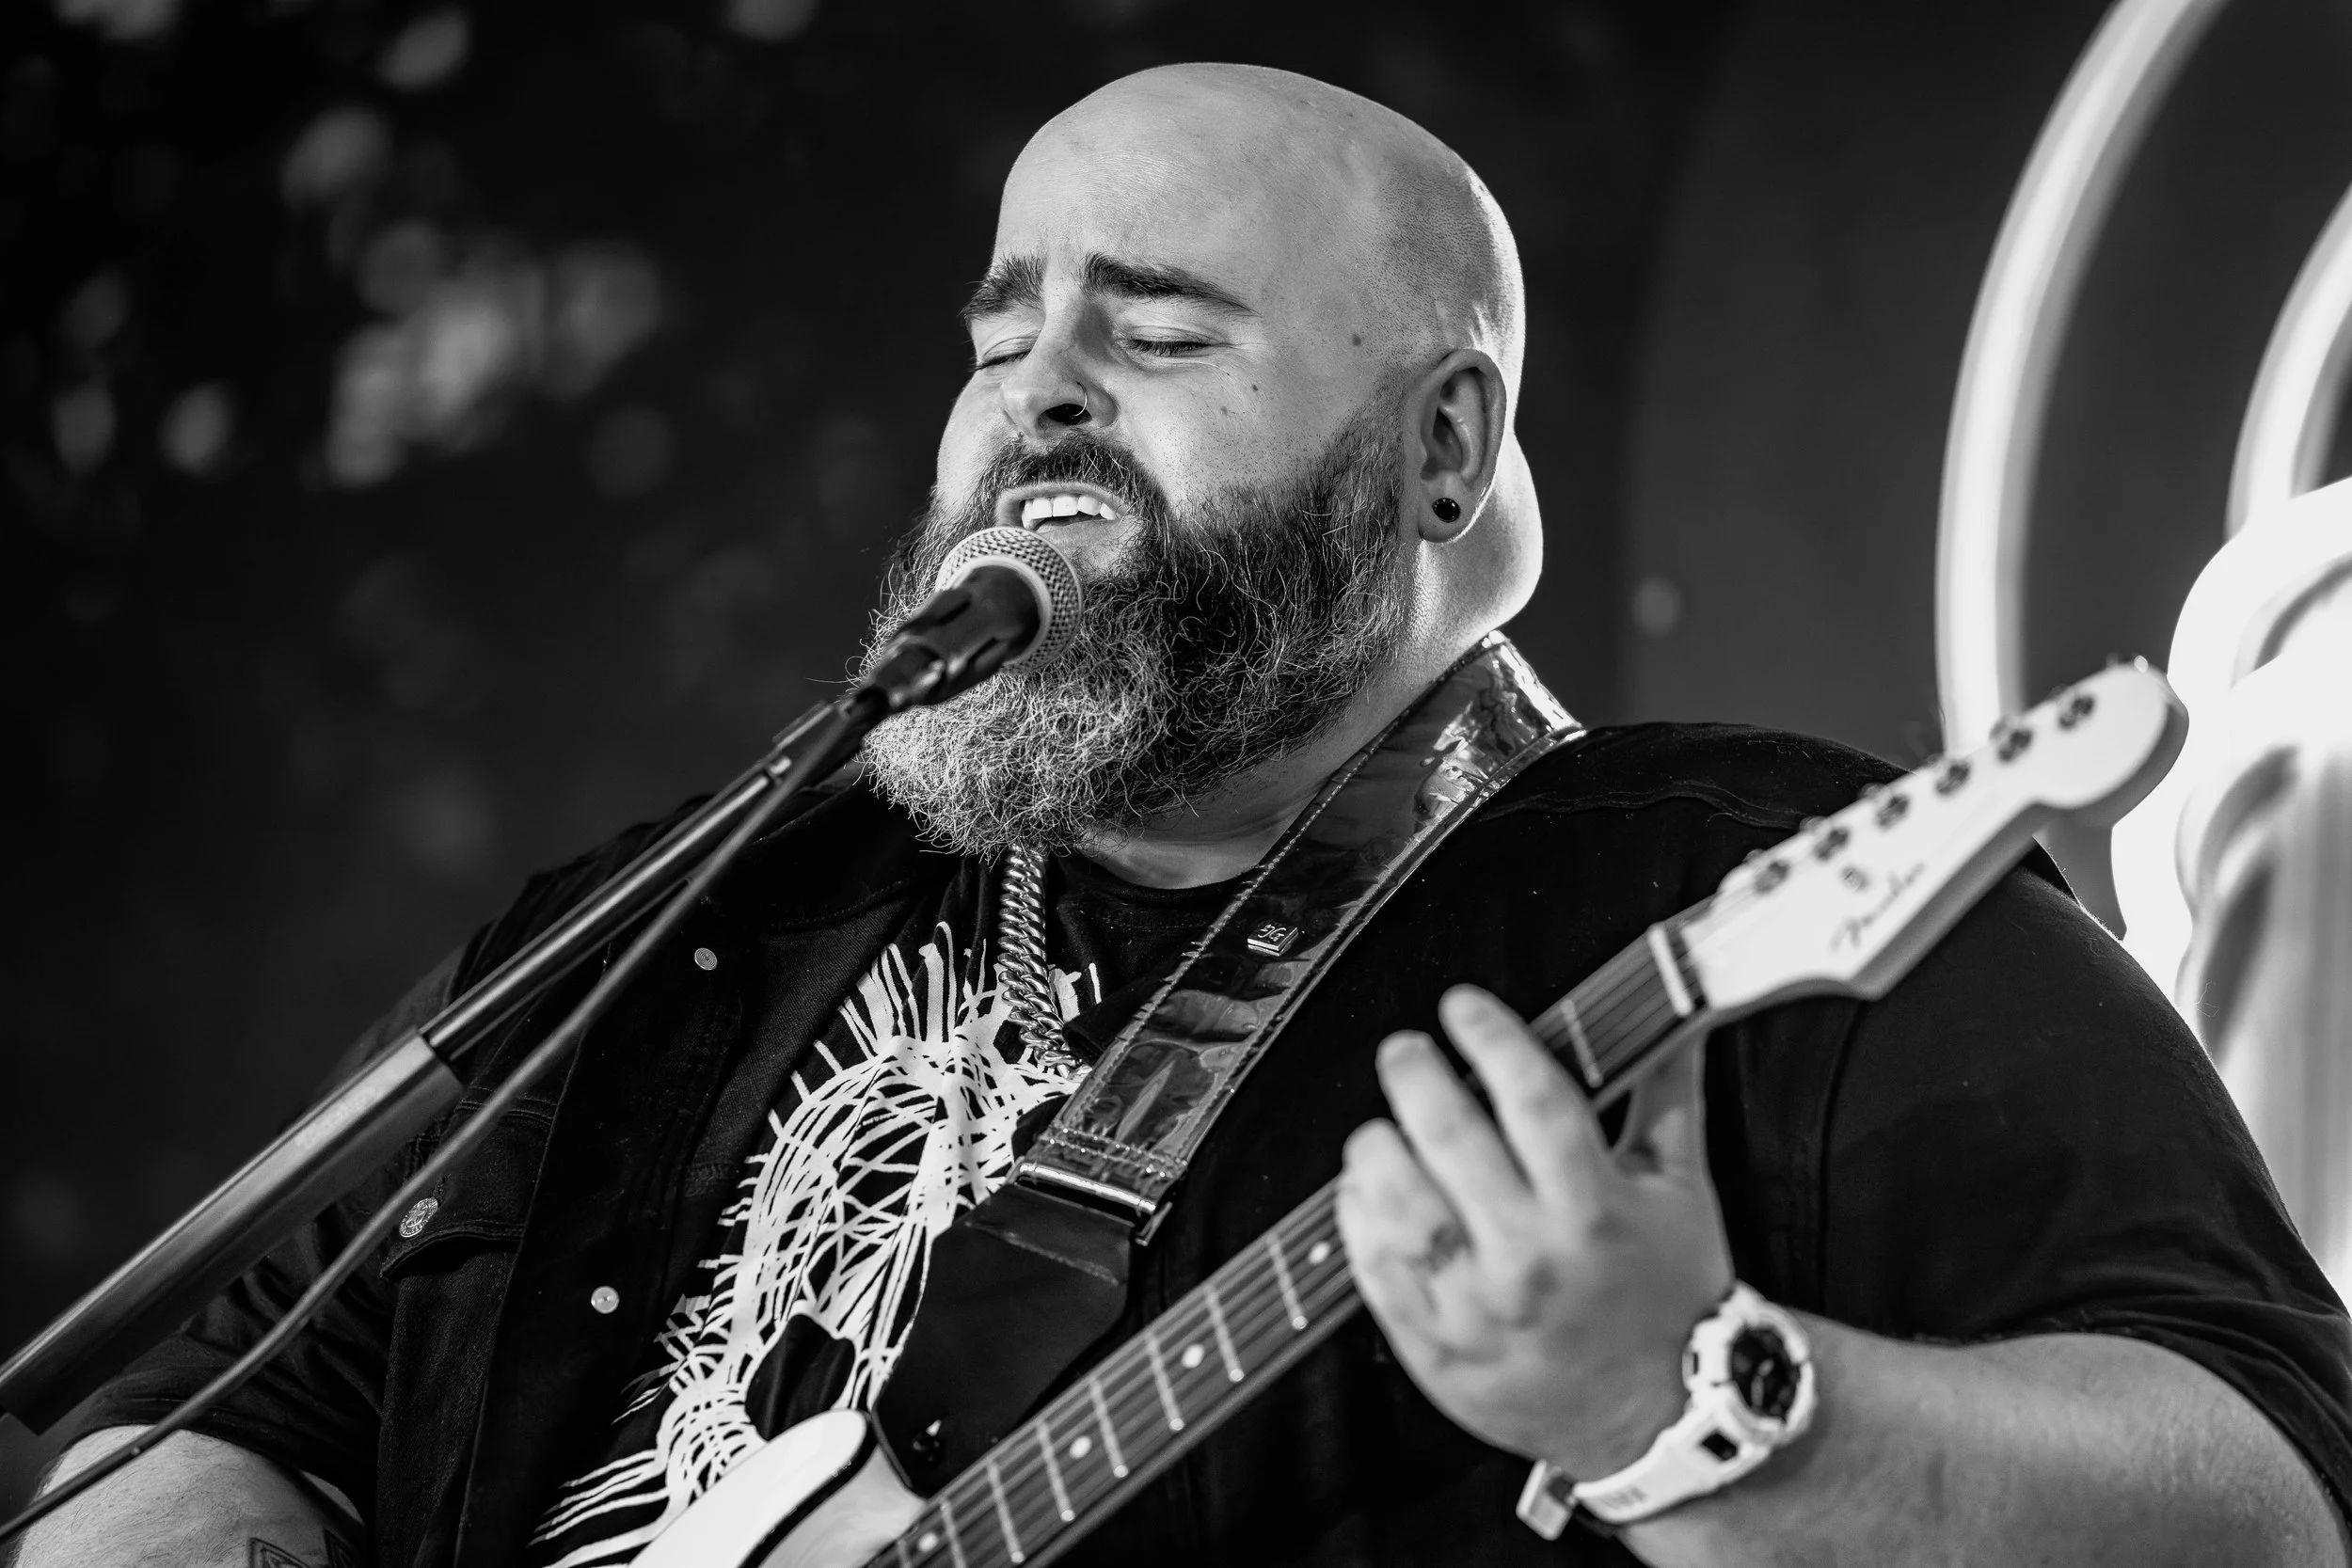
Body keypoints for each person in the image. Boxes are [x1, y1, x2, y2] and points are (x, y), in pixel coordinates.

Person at [18, 63, 2352, 1568]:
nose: (1031, 395)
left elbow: (2263, 1506)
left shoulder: (1721, 878)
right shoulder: (701, 912)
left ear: (1438, 453)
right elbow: (223, 1401)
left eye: (1149, 335)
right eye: (1000, 327)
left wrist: (1690, 1399)